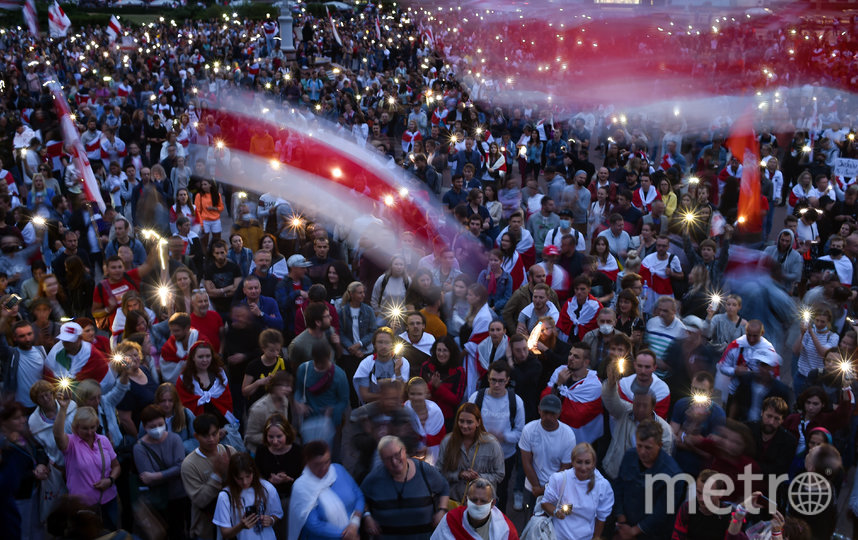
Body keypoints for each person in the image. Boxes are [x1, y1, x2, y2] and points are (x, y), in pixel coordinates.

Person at [53, 392, 121, 530]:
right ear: (76, 427)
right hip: (82, 506)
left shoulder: (103, 440)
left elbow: (116, 466)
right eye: (84, 428)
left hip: (109, 500)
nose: (90, 432)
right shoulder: (71, 443)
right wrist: (63, 409)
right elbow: (57, 435)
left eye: (92, 427)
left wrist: (110, 480)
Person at [361, 435, 450, 540]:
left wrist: (442, 510)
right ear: (382, 460)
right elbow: (359, 497)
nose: (394, 461)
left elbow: (444, 487)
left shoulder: (424, 470)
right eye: (388, 459)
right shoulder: (375, 478)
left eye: (397, 454)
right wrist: (367, 516)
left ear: (404, 451)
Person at [467, 361, 525, 513]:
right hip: (479, 455)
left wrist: (502, 437)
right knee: (476, 490)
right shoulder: (476, 398)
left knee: (501, 492)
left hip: (505, 456)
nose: (497, 384)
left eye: (501, 381)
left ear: (507, 380)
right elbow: (465, 425)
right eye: (493, 380)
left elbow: (520, 432)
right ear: (488, 378)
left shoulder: (516, 401)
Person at [613, 420, 684, 540]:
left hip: (652, 534)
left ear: (660, 445)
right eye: (639, 446)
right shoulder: (630, 456)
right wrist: (621, 520)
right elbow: (619, 486)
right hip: (624, 526)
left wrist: (633, 531)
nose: (642, 452)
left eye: (648, 448)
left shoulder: (673, 476)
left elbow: (662, 513)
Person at [287, 440, 365, 540]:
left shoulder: (338, 470)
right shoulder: (301, 487)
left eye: (327, 461)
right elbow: (313, 524)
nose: (324, 468)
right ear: (307, 462)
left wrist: (355, 523)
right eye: (317, 464)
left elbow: (359, 495)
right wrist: (347, 534)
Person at [133, 404, 189, 540]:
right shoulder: (139, 448)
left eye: (160, 424)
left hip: (178, 496)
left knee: (179, 531)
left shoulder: (174, 439)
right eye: (152, 427)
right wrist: (171, 472)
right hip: (157, 500)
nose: (157, 429)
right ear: (145, 427)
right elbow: (146, 476)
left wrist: (157, 475)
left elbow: (181, 466)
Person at [540, 442, 614, 540]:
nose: (583, 467)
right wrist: (556, 512)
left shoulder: (603, 486)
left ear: (593, 463)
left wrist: (596, 537)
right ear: (572, 461)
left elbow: (601, 517)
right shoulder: (560, 479)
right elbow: (545, 503)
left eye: (587, 462)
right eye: (579, 462)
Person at [436, 402, 505, 504]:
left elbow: (499, 474)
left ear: (478, 422)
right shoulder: (447, 441)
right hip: (454, 501)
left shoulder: (492, 443)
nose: (464, 426)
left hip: (482, 503)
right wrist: (459, 475)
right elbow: (439, 471)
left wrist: (479, 477)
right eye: (461, 421)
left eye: (469, 422)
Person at [1, 399, 50, 540]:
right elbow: (8, 476)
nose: (23, 420)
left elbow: (40, 449)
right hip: (18, 496)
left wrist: (41, 464)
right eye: (17, 418)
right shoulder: (4, 447)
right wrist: (33, 474)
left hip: (33, 491)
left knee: (36, 527)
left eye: (23, 416)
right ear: (4, 421)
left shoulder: (24, 435)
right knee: (22, 530)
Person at [181, 413, 235, 540]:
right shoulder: (189, 465)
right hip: (206, 530)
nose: (211, 439)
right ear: (196, 437)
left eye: (214, 434)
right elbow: (200, 499)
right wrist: (217, 475)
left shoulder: (229, 452)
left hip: (233, 525)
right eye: (205, 436)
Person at [519, 394, 575, 509]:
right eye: (545, 412)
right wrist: (536, 487)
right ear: (539, 410)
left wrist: (544, 490)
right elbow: (526, 462)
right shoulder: (528, 430)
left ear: (559, 413)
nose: (548, 417)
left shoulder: (568, 435)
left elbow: (565, 467)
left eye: (552, 413)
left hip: (557, 490)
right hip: (532, 488)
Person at [214, 452, 284, 540]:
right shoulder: (225, 496)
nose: (245, 482)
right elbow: (225, 533)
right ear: (232, 476)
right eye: (240, 478)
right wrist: (240, 526)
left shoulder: (267, 488)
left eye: (248, 476)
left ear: (253, 472)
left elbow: (277, 513)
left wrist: (271, 520)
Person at [254, 414, 303, 539]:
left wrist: (290, 480)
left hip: (291, 501)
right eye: (271, 437)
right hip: (267, 502)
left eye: (279, 436)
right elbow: (255, 477)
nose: (275, 441)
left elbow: (304, 480)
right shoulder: (262, 451)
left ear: (287, 434)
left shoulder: (298, 451)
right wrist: (269, 482)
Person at [293, 341, 350, 443]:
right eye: (316, 362)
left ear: (330, 357)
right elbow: (298, 391)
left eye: (322, 363)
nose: (319, 366)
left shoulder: (339, 375)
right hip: (309, 420)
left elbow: (344, 400)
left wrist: (334, 410)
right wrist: (298, 403)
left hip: (331, 423)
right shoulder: (303, 369)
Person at [430, 477, 519, 540]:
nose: (478, 504)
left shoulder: (505, 529)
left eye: (483, 501)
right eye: (474, 500)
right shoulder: (451, 520)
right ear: (466, 500)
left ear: (493, 503)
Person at [176, 341, 237, 425]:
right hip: (196, 426)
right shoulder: (184, 379)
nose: (205, 360)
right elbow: (184, 406)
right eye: (200, 357)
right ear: (193, 358)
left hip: (221, 424)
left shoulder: (220, 374)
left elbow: (226, 402)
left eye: (208, 356)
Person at [420, 336, 467, 431]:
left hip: (447, 421)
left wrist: (439, 387)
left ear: (451, 352)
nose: (441, 354)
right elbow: (421, 393)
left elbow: (456, 400)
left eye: (445, 350)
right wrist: (432, 385)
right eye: (439, 350)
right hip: (426, 416)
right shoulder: (426, 367)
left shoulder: (459, 372)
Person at [354, 327, 410, 404]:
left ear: (392, 345)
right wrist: (388, 396)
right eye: (380, 342)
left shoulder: (403, 362)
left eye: (387, 342)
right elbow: (364, 396)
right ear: (374, 345)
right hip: (373, 405)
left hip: (395, 405)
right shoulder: (366, 363)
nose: (383, 346)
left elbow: (401, 394)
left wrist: (398, 372)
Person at [245, 371, 294, 455]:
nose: (289, 389)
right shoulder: (258, 409)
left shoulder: (284, 400)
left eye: (290, 386)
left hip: (278, 448)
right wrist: (272, 437)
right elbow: (250, 436)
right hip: (259, 452)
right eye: (285, 386)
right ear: (273, 386)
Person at [404, 377, 446, 465]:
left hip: (433, 455)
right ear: (408, 393)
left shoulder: (436, 412)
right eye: (412, 394)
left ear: (426, 394)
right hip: (408, 456)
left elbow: (441, 438)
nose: (415, 398)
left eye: (419, 394)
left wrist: (427, 447)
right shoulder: (403, 411)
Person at [151, 382, 198, 454]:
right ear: (158, 401)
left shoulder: (186, 414)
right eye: (163, 401)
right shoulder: (150, 416)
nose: (167, 404)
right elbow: (143, 442)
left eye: (170, 400)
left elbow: (197, 438)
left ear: (175, 400)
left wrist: (180, 447)